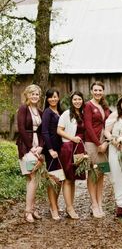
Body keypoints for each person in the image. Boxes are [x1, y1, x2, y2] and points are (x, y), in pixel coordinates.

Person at [16, 84, 44, 223]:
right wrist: (31, 147)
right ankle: (28, 211)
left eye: (37, 94)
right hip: (25, 146)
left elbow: (42, 131)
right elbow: (21, 128)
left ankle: (32, 208)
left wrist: (40, 147)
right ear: (27, 95)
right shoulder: (23, 109)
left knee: (33, 178)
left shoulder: (40, 111)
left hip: (37, 145)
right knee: (32, 176)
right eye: (32, 94)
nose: (34, 96)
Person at [57, 91, 86, 219]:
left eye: (79, 99)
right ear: (71, 100)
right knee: (68, 178)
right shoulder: (66, 113)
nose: (77, 101)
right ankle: (69, 208)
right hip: (68, 147)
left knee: (74, 178)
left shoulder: (83, 114)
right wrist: (72, 138)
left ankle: (71, 206)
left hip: (79, 149)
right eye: (75, 99)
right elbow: (59, 130)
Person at [84, 81, 110, 218]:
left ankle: (100, 203)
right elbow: (88, 126)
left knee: (101, 174)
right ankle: (93, 204)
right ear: (91, 91)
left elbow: (108, 126)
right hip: (92, 143)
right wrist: (97, 143)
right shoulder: (88, 105)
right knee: (93, 173)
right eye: (95, 90)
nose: (98, 92)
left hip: (103, 143)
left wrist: (106, 142)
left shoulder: (104, 107)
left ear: (103, 92)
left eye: (100, 90)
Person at [42, 88, 63, 221]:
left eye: (55, 97)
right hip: (52, 150)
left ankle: (54, 203)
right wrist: (50, 149)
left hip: (61, 149)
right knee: (53, 179)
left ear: (59, 98)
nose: (53, 99)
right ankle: (53, 208)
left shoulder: (60, 112)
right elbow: (45, 132)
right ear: (47, 99)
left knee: (60, 179)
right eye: (50, 97)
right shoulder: (47, 112)